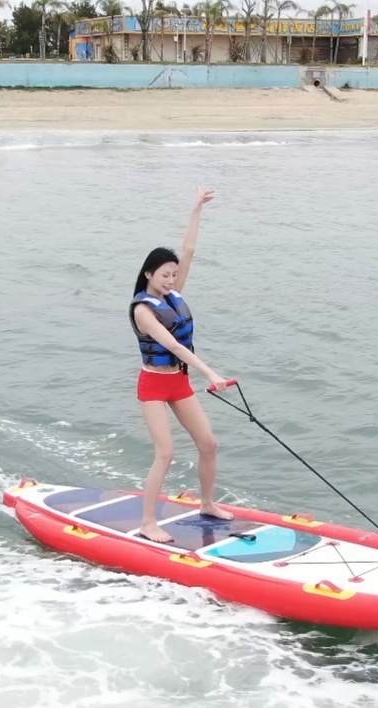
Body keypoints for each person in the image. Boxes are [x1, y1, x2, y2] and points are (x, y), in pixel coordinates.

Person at [130, 188, 234, 544]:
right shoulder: (144, 311)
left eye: (174, 275)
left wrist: (196, 210)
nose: (171, 280)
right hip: (154, 387)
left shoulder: (174, 294)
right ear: (148, 275)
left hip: (178, 383)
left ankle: (207, 503)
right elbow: (172, 344)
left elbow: (188, 250)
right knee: (166, 452)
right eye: (164, 276)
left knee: (208, 443)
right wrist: (211, 373)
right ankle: (147, 522)